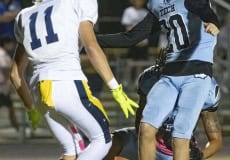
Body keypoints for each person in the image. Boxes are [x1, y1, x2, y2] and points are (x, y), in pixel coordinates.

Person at [10, 0, 138, 160]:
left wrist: (31, 109)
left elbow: (15, 74)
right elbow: (91, 47)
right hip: (66, 83)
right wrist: (115, 88)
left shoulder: (24, 15)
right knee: (103, 140)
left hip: (39, 92)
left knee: (72, 150)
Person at [96, 0, 220, 159]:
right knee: (146, 129)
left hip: (196, 74)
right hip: (170, 74)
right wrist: (91, 40)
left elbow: (203, 8)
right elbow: (131, 37)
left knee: (180, 136)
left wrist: (214, 21)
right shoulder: (158, 4)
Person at [104, 64, 222, 160]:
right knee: (110, 143)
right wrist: (157, 133)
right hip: (148, 140)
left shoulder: (206, 88)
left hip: (176, 147)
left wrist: (200, 156)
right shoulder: (152, 79)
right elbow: (140, 124)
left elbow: (215, 140)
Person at [0, 46, 19, 130]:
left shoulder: (3, 53)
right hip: (2, 87)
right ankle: (17, 127)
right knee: (11, 108)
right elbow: (5, 68)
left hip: (3, 87)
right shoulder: (1, 53)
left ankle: (17, 127)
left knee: (11, 108)